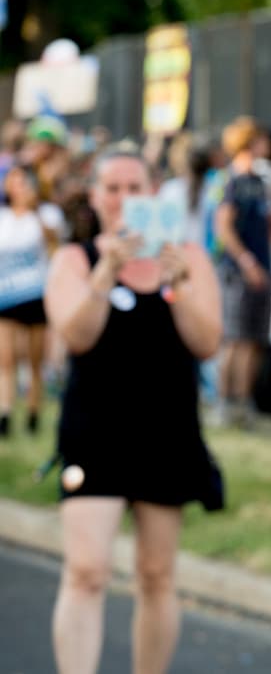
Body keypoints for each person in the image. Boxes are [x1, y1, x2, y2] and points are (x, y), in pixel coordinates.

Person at [44, 145, 223, 674]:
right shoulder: (74, 259)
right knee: (87, 570)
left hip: (165, 432)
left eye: (134, 188)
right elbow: (76, 335)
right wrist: (107, 273)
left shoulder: (187, 256)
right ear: (96, 196)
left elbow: (208, 341)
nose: (124, 199)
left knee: (156, 573)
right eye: (113, 188)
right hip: (94, 431)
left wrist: (179, 285)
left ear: (153, 193)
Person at [214, 118, 271, 426]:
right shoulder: (232, 182)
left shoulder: (261, 182)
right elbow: (223, 226)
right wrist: (246, 262)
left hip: (261, 269)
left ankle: (243, 401)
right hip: (237, 273)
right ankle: (225, 402)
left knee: (253, 339)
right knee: (234, 338)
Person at [0, 166, 63, 436]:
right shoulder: (2, 217)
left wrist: (35, 211)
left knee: (35, 360)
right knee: (5, 359)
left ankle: (34, 413)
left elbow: (56, 246)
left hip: (36, 293)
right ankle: (5, 412)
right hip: (6, 293)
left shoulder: (48, 214)